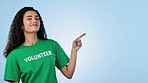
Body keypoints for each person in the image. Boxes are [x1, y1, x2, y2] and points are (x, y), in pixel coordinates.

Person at [3, 7, 86, 83]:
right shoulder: (14, 56)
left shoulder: (52, 45)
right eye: (29, 18)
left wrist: (74, 50)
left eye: (37, 18)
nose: (34, 21)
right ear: (21, 25)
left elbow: (69, 74)